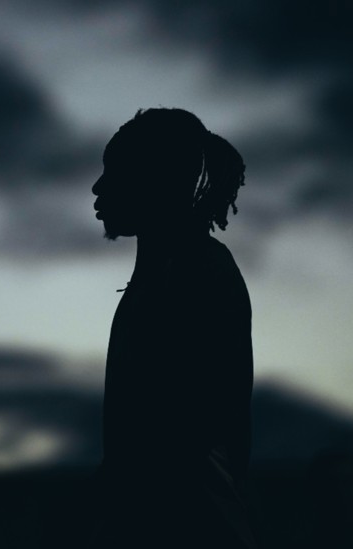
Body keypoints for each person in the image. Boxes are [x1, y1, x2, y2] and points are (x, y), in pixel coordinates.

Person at [87, 108, 258, 548]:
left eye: (115, 173)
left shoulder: (197, 270)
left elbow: (191, 432)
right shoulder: (169, 274)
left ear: (153, 181)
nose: (98, 187)